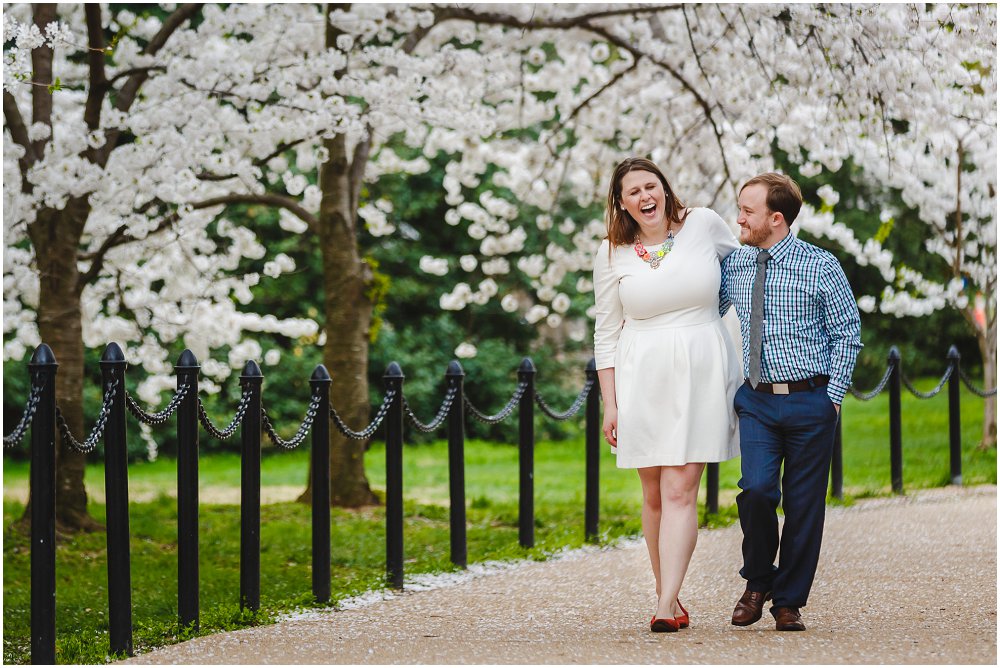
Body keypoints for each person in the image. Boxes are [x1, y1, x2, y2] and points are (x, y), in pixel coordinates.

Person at [592, 157, 741, 633]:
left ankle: (664, 603)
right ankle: (670, 598)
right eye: (632, 192)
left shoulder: (703, 225)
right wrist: (610, 403)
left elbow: (750, 273)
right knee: (654, 494)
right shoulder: (611, 251)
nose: (644, 197)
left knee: (681, 488)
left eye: (649, 186)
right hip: (642, 373)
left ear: (664, 188)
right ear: (621, 202)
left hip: (699, 367)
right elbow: (605, 333)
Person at [719, 172, 862, 632]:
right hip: (756, 401)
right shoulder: (735, 265)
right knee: (756, 490)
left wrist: (832, 399)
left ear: (776, 219)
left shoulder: (821, 265)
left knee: (804, 507)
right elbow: (702, 310)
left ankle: (788, 600)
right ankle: (757, 581)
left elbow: (848, 333)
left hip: (809, 401)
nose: (738, 218)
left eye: (747, 211)